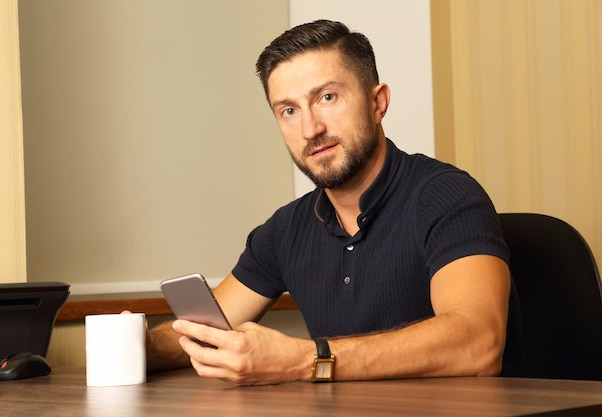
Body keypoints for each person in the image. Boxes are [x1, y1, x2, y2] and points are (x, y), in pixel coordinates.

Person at [145, 19, 519, 386]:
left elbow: (478, 344)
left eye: (327, 98)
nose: (310, 129)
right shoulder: (284, 230)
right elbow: (201, 333)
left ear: (378, 102)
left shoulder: (446, 195)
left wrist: (303, 360)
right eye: (289, 110)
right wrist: (138, 345)